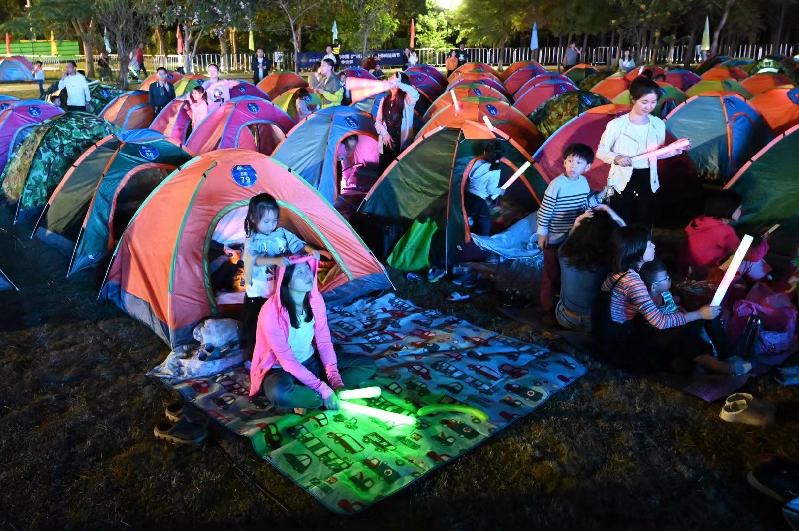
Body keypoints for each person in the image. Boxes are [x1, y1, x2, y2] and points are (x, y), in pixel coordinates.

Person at [594, 225, 749, 375]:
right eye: (649, 244)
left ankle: (723, 356)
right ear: (637, 250)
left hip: (614, 334)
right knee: (687, 331)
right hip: (621, 341)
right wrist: (700, 314)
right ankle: (724, 366)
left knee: (698, 316)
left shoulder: (620, 271)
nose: (653, 246)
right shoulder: (632, 281)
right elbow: (660, 322)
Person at [248, 256, 378, 411]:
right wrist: (323, 389)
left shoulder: (315, 300)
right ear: (286, 280)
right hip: (280, 369)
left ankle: (318, 393)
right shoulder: (270, 313)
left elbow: (324, 342)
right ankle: (321, 393)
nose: (308, 275)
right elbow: (288, 362)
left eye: (307, 269)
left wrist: (336, 381)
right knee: (279, 392)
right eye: (299, 272)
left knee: (366, 365)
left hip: (310, 360)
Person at [596, 76, 690, 227]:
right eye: (644, 102)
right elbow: (601, 151)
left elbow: (657, 154)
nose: (649, 106)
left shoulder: (658, 124)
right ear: (633, 99)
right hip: (621, 180)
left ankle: (644, 242)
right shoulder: (616, 125)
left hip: (648, 179)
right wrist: (616, 158)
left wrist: (675, 150)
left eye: (653, 102)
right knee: (620, 220)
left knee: (644, 219)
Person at [537, 143, 606, 324]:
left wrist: (599, 198)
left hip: (573, 235)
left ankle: (563, 304)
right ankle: (547, 309)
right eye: (570, 161)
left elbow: (584, 206)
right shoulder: (556, 185)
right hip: (555, 236)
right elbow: (544, 211)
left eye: (578, 163)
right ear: (564, 162)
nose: (573, 165)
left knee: (566, 272)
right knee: (551, 273)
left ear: (587, 167)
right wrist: (542, 233)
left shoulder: (583, 183)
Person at [242, 193, 318, 350]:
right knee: (255, 321)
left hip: (276, 286)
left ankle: (277, 346)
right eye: (266, 221)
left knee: (275, 318)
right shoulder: (253, 239)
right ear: (253, 218)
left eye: (275, 220)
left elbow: (297, 243)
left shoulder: (282, 233)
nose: (271, 225)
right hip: (258, 289)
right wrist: (275, 260)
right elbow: (254, 261)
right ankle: (252, 350)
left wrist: (309, 249)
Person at [556, 206, 624, 332]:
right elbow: (629, 238)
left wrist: (576, 224)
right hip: (595, 322)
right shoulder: (611, 261)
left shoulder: (563, 253)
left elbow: (571, 237)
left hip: (565, 318)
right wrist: (611, 213)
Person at [679, 189, 770, 280]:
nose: (741, 211)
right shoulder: (724, 231)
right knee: (751, 261)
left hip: (686, 269)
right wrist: (764, 241)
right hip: (706, 276)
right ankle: (766, 279)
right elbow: (752, 256)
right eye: (739, 208)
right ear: (729, 210)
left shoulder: (698, 220)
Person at [375, 71, 420, 169]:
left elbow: (415, 94)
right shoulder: (384, 99)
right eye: (390, 77)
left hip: (401, 147)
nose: (390, 79)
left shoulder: (407, 100)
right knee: (384, 171)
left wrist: (398, 84)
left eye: (393, 78)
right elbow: (377, 122)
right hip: (385, 145)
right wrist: (385, 134)